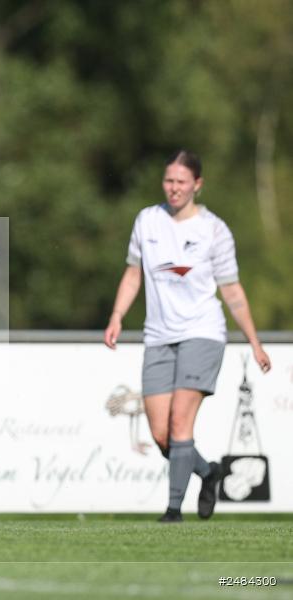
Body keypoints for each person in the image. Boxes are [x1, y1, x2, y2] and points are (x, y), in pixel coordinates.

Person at [104, 149, 272, 523]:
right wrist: (117, 316)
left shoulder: (214, 230)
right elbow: (133, 274)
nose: (174, 188)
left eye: (181, 181)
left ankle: (173, 511)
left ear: (197, 184)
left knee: (181, 423)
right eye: (169, 180)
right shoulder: (147, 220)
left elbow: (232, 291)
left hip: (203, 332)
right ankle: (209, 472)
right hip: (158, 336)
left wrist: (254, 342)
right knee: (162, 434)